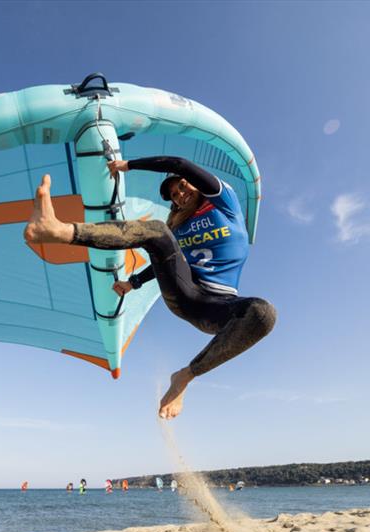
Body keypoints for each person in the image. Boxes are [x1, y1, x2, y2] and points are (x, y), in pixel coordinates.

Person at [24, 156, 276, 419]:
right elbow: (163, 260)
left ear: (196, 185)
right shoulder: (176, 228)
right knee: (157, 231)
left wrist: (127, 165)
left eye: (182, 186)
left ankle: (185, 376)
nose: (179, 194)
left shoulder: (224, 204)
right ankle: (60, 231)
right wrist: (131, 284)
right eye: (174, 195)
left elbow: (180, 164)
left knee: (263, 313)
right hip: (187, 295)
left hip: (219, 306)